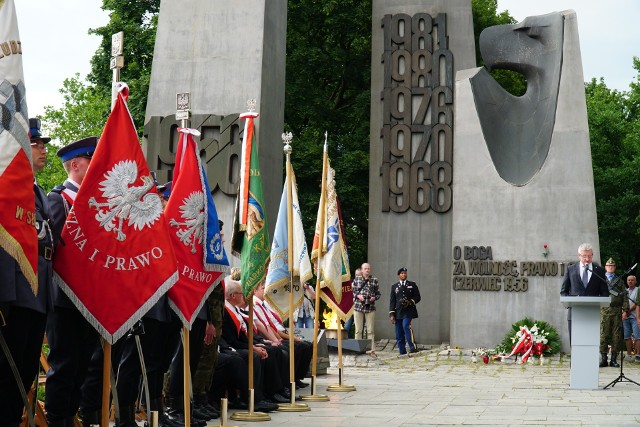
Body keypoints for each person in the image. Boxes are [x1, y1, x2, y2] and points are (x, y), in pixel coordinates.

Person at [0, 119, 53, 426]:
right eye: (37, 144)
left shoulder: (39, 193)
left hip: (37, 297)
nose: (43, 150)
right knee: (7, 379)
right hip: (15, 298)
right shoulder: (7, 186)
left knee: (23, 377)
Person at [45, 135, 100, 427]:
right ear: (76, 165)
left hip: (89, 298)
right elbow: (53, 248)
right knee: (64, 365)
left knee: (84, 365)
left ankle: (72, 417)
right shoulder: (58, 199)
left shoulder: (92, 202)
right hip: (64, 297)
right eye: (92, 161)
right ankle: (58, 420)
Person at [560, 243, 609, 345]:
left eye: (590, 256)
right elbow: (564, 292)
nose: (587, 259)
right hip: (574, 314)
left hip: (593, 314)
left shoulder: (599, 271)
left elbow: (605, 292)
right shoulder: (571, 269)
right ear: (579, 256)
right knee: (575, 343)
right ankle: (575, 361)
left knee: (591, 343)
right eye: (584, 256)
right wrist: (568, 302)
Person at [598, 258, 625, 367]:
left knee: (616, 335)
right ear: (605, 267)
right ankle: (603, 358)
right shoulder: (600, 279)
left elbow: (624, 296)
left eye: (612, 266)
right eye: (609, 266)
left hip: (617, 310)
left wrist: (625, 310)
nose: (610, 267)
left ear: (615, 268)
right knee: (603, 334)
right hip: (604, 310)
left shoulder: (620, 280)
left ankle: (613, 359)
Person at [389, 267, 421, 355]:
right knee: (398, 331)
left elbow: (418, 297)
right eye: (402, 273)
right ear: (399, 275)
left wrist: (410, 302)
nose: (404, 274)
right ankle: (402, 351)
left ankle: (412, 347)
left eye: (405, 273)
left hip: (408, 310)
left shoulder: (412, 284)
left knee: (406, 326)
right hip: (398, 311)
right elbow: (392, 301)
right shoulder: (394, 286)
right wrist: (391, 314)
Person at [352, 263, 380, 355]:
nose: (367, 270)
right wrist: (358, 296)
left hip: (370, 307)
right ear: (362, 270)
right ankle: (357, 349)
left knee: (370, 330)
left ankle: (372, 350)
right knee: (358, 330)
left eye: (368, 268)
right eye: (365, 268)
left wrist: (374, 298)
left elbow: (378, 293)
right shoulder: (356, 280)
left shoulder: (374, 280)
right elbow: (352, 292)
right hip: (358, 306)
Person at [622, 276, 639, 362]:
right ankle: (628, 355)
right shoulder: (625, 291)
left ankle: (637, 355)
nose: (630, 281)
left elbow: (637, 303)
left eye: (632, 280)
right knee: (627, 336)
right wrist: (624, 312)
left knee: (637, 337)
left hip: (635, 317)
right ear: (627, 281)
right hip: (626, 317)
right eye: (629, 280)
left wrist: (627, 311)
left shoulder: (638, 290)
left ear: (635, 281)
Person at [343, 267, 362, 336]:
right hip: (350, 309)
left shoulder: (366, 285)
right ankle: (347, 345)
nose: (358, 277)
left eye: (359, 275)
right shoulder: (350, 285)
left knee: (359, 329)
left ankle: (359, 345)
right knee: (346, 328)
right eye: (356, 275)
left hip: (360, 309)